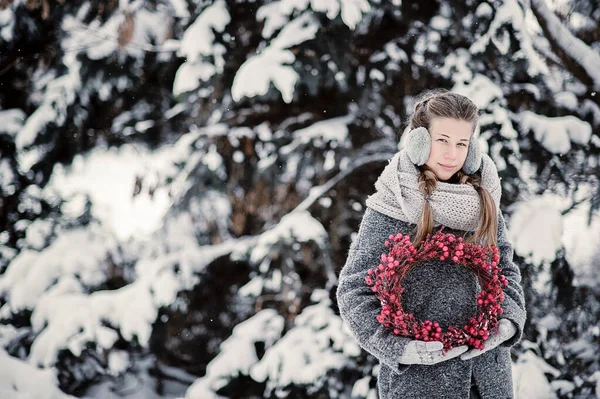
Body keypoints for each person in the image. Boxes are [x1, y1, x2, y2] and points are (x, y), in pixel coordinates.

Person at [336, 89, 526, 399]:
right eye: (443, 141)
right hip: (420, 385)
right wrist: (399, 348)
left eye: (462, 144)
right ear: (419, 142)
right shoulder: (392, 205)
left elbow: (505, 271)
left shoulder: (484, 202)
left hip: (489, 382)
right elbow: (353, 290)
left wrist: (507, 321)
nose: (452, 154)